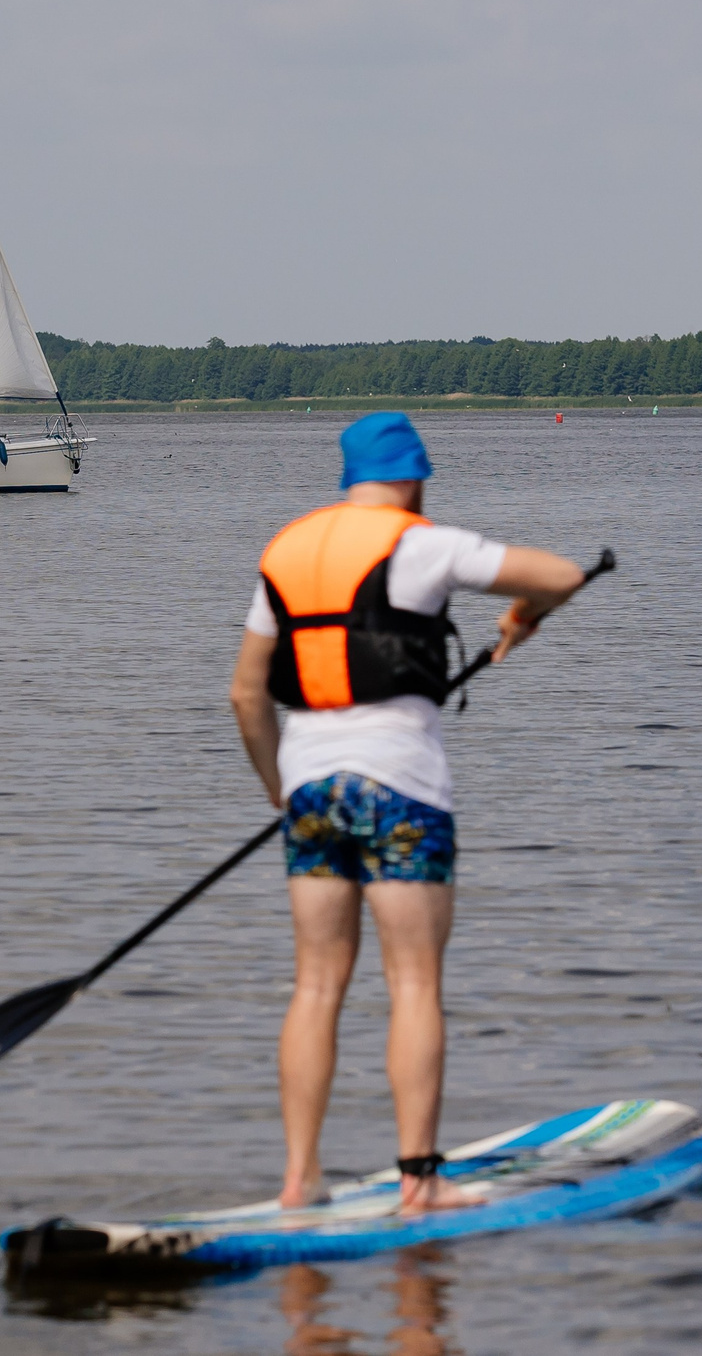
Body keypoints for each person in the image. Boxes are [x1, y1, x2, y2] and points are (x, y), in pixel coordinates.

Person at [230, 412, 586, 1210]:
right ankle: (419, 1180)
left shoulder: (284, 551)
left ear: (347, 476)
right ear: (416, 476)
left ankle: (298, 1179)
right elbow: (560, 573)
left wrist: (276, 787)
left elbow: (246, 692)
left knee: (316, 984)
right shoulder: (422, 541)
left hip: (312, 788)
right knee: (415, 982)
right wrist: (523, 617)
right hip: (402, 786)